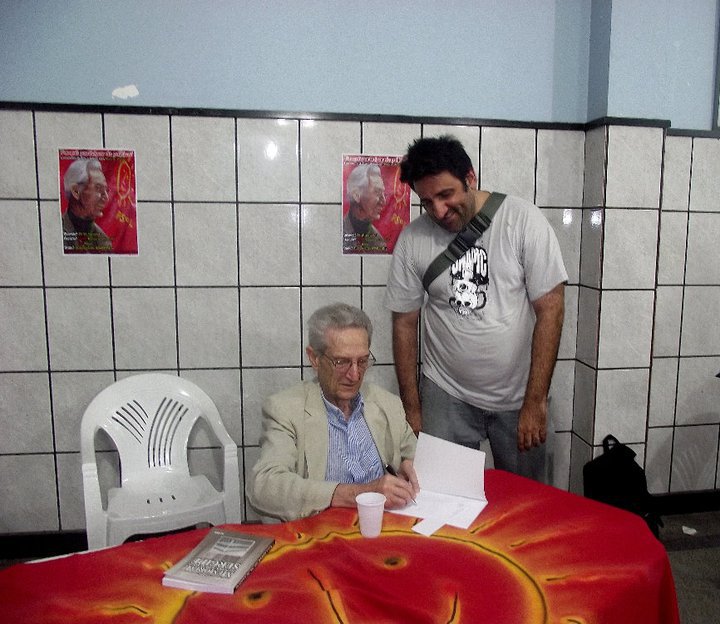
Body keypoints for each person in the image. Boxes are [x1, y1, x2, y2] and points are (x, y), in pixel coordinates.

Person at [384, 135, 567, 481]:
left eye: (446, 195)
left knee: (527, 503)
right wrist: (412, 407)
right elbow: (404, 324)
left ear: (470, 178)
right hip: (446, 393)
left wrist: (536, 401)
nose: (438, 211)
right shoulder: (413, 240)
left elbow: (551, 308)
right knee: (444, 497)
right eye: (426, 202)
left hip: (518, 395)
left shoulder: (522, 221)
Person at [248, 302, 418, 522]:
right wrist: (358, 493)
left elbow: (415, 457)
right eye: (342, 362)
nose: (355, 375)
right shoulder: (286, 410)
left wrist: (411, 466)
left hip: (384, 532)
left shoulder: (387, 404)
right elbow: (263, 486)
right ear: (314, 358)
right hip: (321, 537)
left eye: (363, 361)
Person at [62, 158, 112, 253]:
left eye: (106, 190)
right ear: (76, 191)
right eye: (98, 188)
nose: (106, 197)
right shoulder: (56, 231)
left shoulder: (104, 241)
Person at [343, 163, 388, 253]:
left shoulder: (379, 242)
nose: (384, 201)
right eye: (377, 192)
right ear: (356, 195)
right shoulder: (337, 232)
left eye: (384, 194)